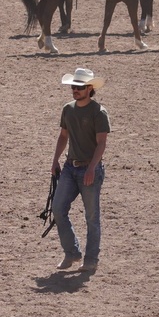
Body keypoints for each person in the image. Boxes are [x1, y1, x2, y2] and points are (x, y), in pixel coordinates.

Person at [51, 67, 110, 274]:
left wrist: (92, 168)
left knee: (92, 217)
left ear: (90, 89)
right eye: (73, 86)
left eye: (80, 86)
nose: (75, 90)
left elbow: (101, 143)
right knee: (57, 209)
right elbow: (63, 136)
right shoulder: (68, 109)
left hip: (89, 169)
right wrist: (56, 160)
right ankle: (72, 252)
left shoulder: (98, 113)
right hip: (70, 167)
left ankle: (91, 259)